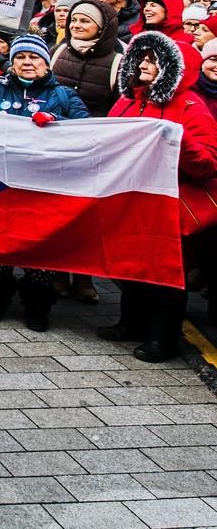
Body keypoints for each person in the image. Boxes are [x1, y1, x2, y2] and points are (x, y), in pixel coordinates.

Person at [104, 32, 217, 361]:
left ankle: (163, 339)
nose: (143, 64)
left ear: (172, 68)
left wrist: (179, 141)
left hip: (170, 204)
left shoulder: (192, 108)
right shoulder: (128, 99)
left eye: (153, 60)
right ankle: (131, 323)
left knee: (165, 274)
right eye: (142, 57)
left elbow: (208, 164)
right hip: (133, 198)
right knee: (131, 265)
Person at [0, 35, 90, 330]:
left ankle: (37, 306)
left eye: (34, 57)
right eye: (20, 57)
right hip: (1, 184)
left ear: (46, 63)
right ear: (12, 63)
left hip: (43, 188)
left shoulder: (64, 95)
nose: (27, 62)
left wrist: (58, 121)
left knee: (39, 251)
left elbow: (88, 130)